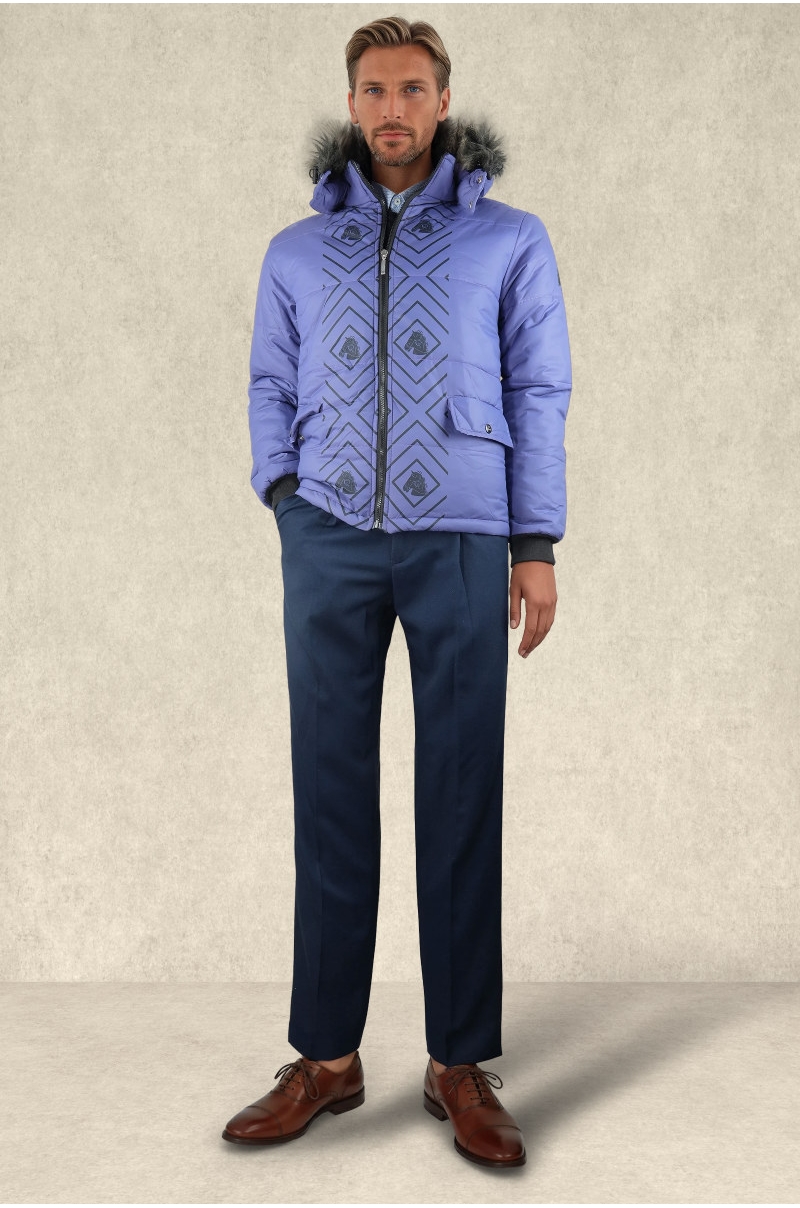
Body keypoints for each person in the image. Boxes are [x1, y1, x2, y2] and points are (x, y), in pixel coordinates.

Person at [222, 15, 572, 1169]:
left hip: (463, 535)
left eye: (411, 88)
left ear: (443, 98)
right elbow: (269, 380)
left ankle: (457, 1060)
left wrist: (533, 540)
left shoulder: (508, 240)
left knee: (460, 787)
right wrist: (285, 493)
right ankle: (326, 1057)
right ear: (351, 102)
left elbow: (538, 387)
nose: (391, 108)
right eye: (373, 89)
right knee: (328, 786)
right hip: (327, 536)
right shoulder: (294, 251)